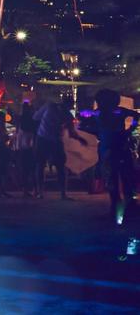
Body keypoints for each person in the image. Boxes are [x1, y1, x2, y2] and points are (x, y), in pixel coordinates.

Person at [91, 89, 138, 224]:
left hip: (108, 149)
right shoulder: (118, 111)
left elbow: (86, 123)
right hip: (121, 147)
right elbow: (135, 115)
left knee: (112, 176)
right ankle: (128, 205)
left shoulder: (100, 113)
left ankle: (116, 206)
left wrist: (98, 133)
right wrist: (130, 129)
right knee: (125, 175)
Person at [34, 95, 87, 199]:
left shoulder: (49, 106)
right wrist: (80, 139)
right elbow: (71, 133)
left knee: (40, 165)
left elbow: (35, 117)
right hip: (54, 141)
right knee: (60, 167)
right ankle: (62, 193)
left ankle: (40, 192)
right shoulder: (67, 115)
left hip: (43, 138)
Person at [14, 102, 38, 197]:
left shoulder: (21, 122)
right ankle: (35, 190)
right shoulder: (31, 121)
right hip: (30, 148)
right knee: (32, 169)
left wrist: (17, 147)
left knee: (25, 170)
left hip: (23, 149)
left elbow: (18, 136)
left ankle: (26, 190)